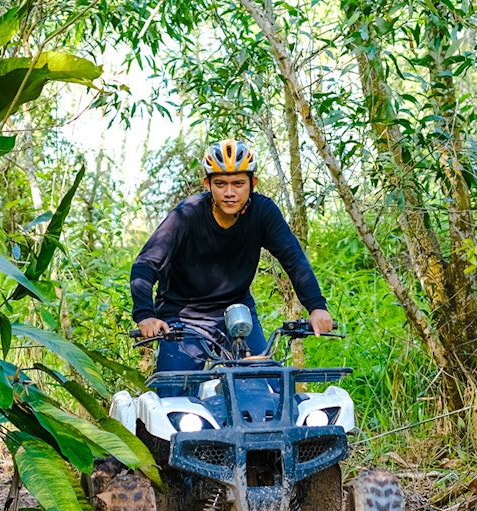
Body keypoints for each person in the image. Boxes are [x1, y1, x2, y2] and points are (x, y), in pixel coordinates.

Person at [131, 139, 334, 374]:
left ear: (252, 183)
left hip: (237, 312)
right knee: (175, 393)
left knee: (265, 384)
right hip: (183, 318)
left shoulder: (263, 213)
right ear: (207, 184)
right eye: (220, 183)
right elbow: (145, 265)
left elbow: (294, 260)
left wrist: (317, 307)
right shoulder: (187, 215)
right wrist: (145, 315)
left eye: (238, 183)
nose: (229, 192)